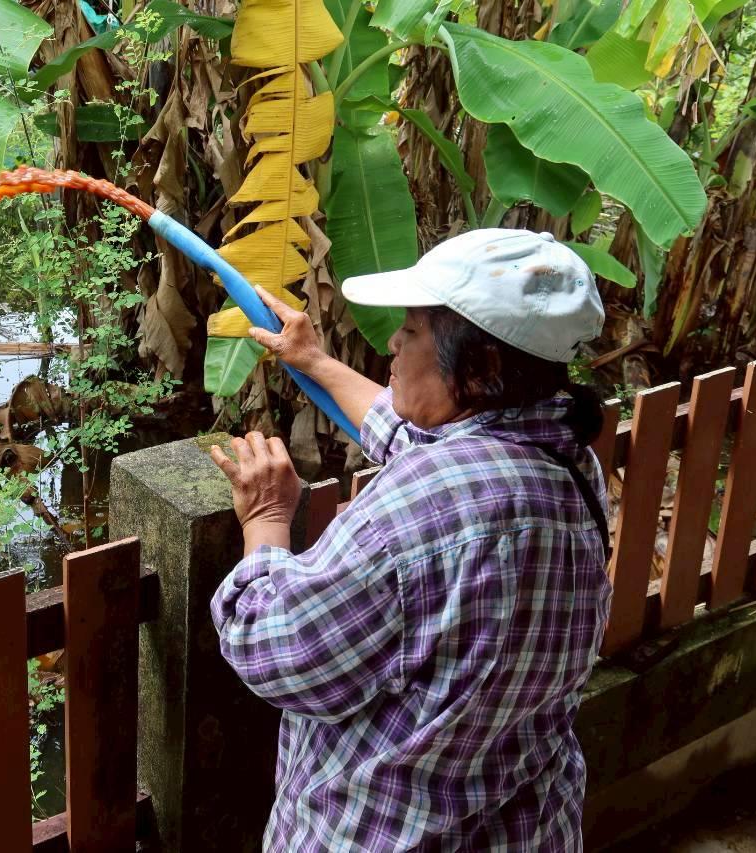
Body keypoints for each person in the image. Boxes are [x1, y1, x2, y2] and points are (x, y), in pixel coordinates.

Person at [207, 229, 611, 851]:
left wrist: (265, 519)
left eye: (414, 330)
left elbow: (273, 648)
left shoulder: (421, 505)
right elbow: (420, 439)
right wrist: (314, 361)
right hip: (526, 826)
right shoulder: (571, 464)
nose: (393, 341)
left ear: (481, 369)